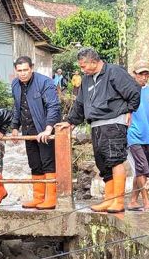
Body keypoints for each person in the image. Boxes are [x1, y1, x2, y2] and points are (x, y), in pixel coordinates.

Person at [56, 47, 141, 213]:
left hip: (113, 122)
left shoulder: (114, 72)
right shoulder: (87, 79)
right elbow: (80, 103)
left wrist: (130, 110)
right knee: (102, 163)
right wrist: (71, 122)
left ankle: (118, 200)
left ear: (94, 62)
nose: (82, 70)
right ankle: (108, 199)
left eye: (84, 66)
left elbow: (134, 91)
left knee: (115, 159)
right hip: (96, 124)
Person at [10, 56, 61, 210]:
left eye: (25, 70)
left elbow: (53, 106)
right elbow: (17, 107)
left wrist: (48, 127)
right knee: (34, 164)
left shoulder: (44, 82)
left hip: (44, 129)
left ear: (32, 68)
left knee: (48, 163)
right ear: (15, 71)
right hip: (28, 130)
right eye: (19, 71)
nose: (23, 73)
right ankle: (38, 198)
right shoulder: (15, 85)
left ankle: (51, 198)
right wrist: (14, 126)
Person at [126, 60, 149, 211]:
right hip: (132, 135)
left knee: (144, 169)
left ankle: (133, 200)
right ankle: (146, 201)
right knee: (141, 168)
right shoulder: (128, 90)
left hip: (147, 134)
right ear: (134, 75)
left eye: (146, 74)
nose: (144, 77)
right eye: (141, 74)